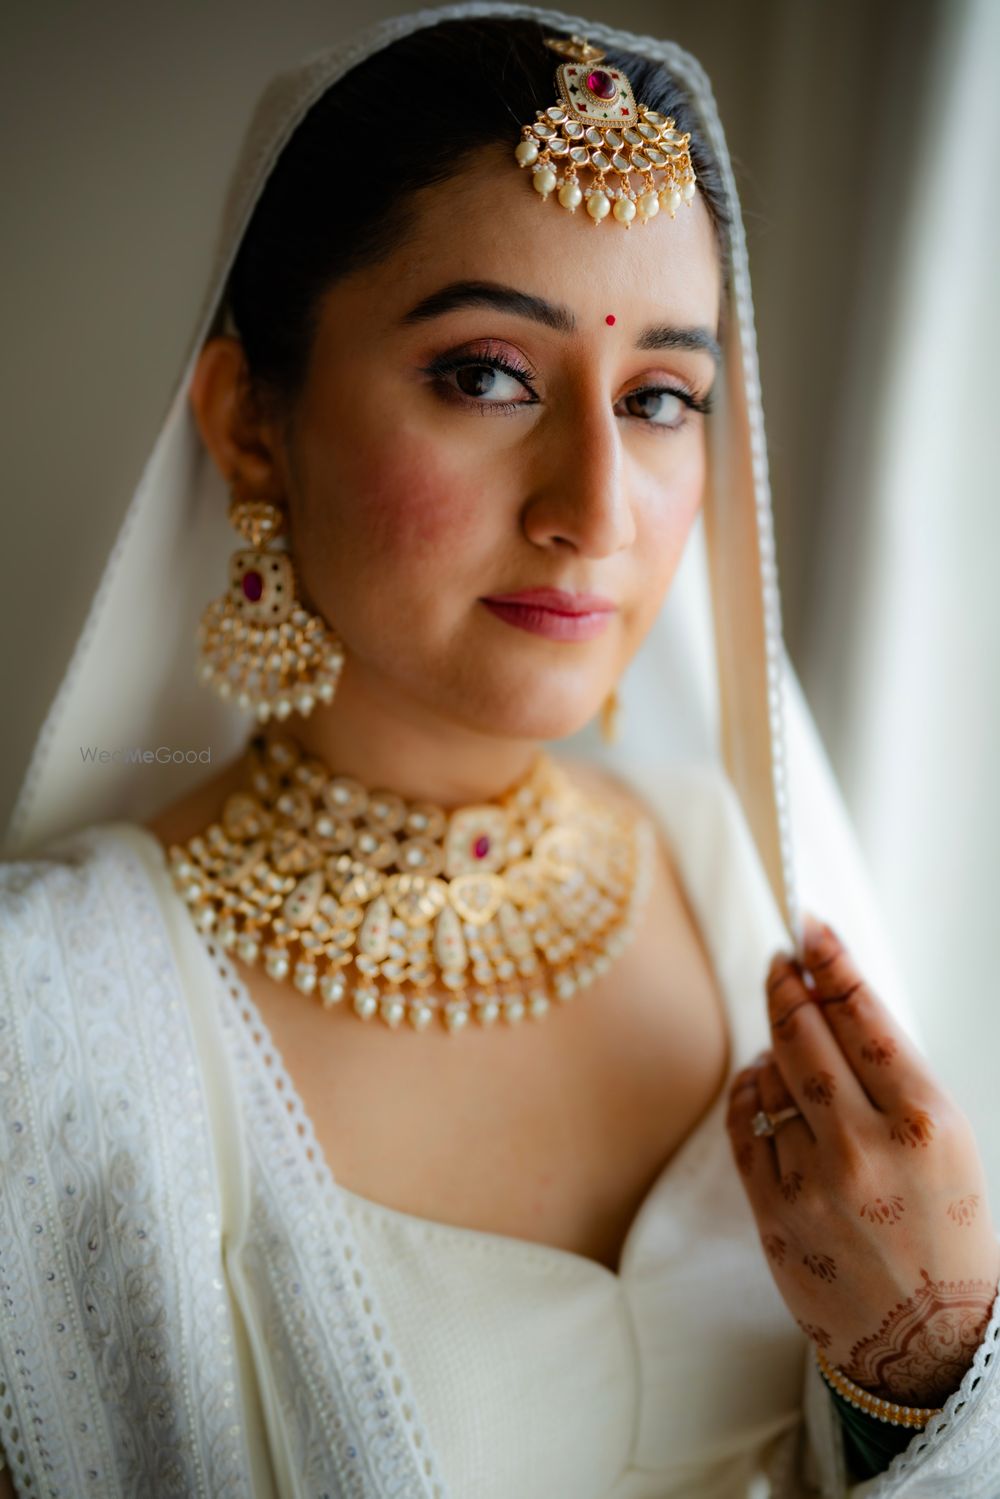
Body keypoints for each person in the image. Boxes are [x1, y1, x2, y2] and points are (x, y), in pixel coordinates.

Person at [1, 7, 998, 1495]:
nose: (597, 509)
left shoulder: (746, 884)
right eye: (486, 374)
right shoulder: (45, 1021)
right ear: (251, 421)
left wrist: (919, 1381)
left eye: (660, 397)